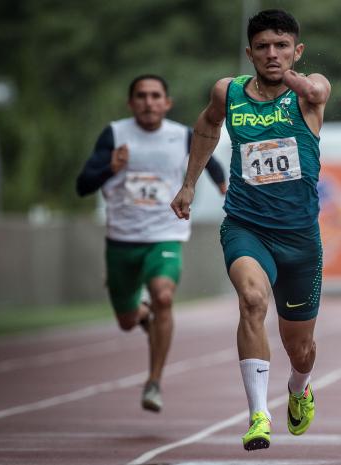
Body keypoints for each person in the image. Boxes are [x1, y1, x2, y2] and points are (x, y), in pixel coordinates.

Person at [170, 9, 330, 451]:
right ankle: (258, 415)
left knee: (301, 349)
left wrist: (288, 76)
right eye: (262, 47)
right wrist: (187, 185)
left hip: (300, 239)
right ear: (249, 53)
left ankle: (299, 388)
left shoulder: (309, 92)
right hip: (246, 226)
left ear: (297, 51)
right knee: (253, 300)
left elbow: (316, 89)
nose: (271, 54)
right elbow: (206, 125)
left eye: (281, 46)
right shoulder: (229, 91)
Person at [76, 74, 227, 412]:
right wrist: (109, 168)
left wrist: (223, 186)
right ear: (131, 103)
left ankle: (154, 381)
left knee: (163, 295)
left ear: (167, 102)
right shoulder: (115, 135)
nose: (148, 102)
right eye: (141, 96)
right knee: (127, 321)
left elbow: (211, 162)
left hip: (165, 236)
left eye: (155, 96)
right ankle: (141, 316)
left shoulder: (182, 135)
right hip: (122, 241)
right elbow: (82, 185)